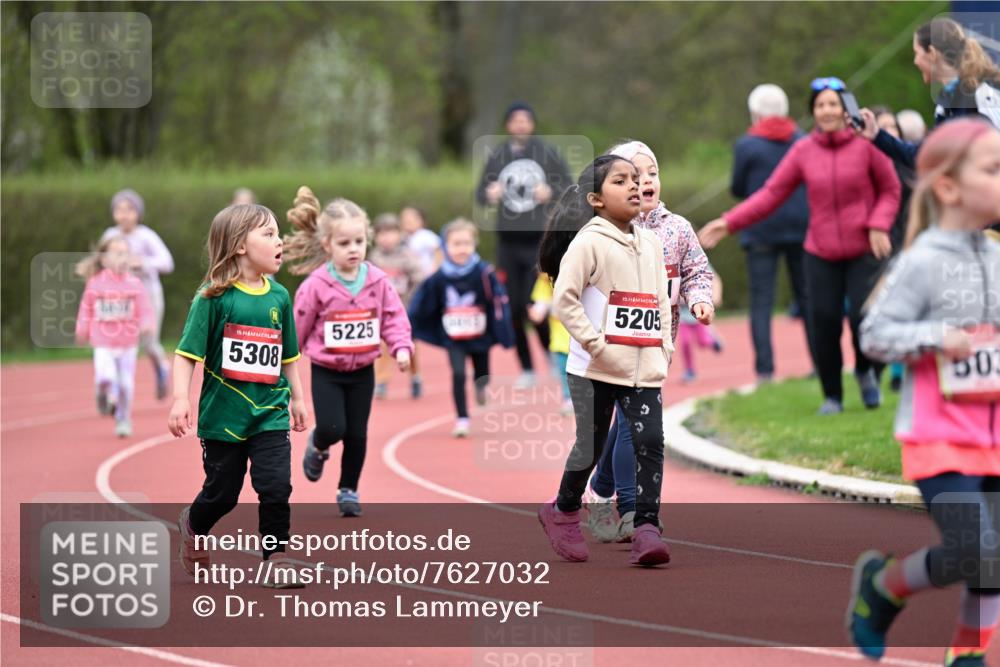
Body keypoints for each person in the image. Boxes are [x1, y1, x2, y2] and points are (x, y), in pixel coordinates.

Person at [850, 118, 1000, 667]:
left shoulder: (996, 258)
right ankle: (887, 589)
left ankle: (962, 649)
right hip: (939, 438)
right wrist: (937, 337)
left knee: (991, 560)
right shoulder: (921, 261)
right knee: (978, 550)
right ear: (949, 187)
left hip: (994, 437)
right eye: (994, 169)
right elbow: (873, 335)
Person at [699, 77, 901, 415]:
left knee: (863, 318)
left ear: (846, 109)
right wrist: (729, 222)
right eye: (820, 105)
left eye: (833, 104)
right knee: (824, 321)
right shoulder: (803, 150)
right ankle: (832, 396)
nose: (826, 111)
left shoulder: (866, 145)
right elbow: (770, 193)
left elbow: (890, 189)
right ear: (813, 112)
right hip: (820, 251)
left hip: (863, 249)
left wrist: (879, 224)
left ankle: (867, 370)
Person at [536, 155, 673, 567]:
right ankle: (563, 511)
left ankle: (646, 528)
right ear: (596, 199)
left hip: (643, 366)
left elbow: (660, 301)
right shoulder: (588, 243)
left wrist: (664, 346)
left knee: (651, 441)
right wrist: (596, 343)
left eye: (637, 179)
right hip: (593, 368)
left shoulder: (651, 243)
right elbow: (564, 300)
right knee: (590, 447)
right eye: (621, 181)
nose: (634, 186)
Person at [168, 204, 308, 588]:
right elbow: (186, 355)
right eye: (268, 234)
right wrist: (180, 399)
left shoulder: (279, 297)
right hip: (224, 418)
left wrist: (298, 398)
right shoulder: (212, 298)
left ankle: (276, 559)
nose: (279, 241)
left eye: (279, 234)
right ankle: (194, 525)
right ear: (239, 246)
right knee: (223, 495)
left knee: (276, 486)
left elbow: (288, 355)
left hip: (270, 413)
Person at [583, 141, 713, 543]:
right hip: (614, 345)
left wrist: (700, 298)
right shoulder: (604, 231)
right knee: (633, 426)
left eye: (652, 173)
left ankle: (600, 487)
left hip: (658, 344)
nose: (645, 181)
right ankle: (631, 511)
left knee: (627, 422)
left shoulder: (678, 229)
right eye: (632, 176)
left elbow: (697, 270)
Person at [286, 188, 413, 517]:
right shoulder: (315, 285)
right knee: (332, 428)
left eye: (359, 241)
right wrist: (286, 361)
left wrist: (400, 347)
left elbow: (393, 317)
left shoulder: (377, 280)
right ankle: (318, 445)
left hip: (362, 371)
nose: (354, 249)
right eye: (344, 243)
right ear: (327, 244)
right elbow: (298, 325)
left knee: (357, 434)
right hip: (327, 371)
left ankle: (348, 489)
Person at [475, 102, 572, 388]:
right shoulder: (498, 156)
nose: (520, 124)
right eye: (515, 120)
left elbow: (569, 188)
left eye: (525, 119)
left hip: (538, 242)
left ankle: (551, 355)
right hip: (507, 242)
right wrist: (490, 193)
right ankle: (526, 367)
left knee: (537, 304)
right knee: (513, 308)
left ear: (532, 123)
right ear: (508, 124)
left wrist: (551, 192)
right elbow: (480, 195)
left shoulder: (547, 153)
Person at [730, 84, 813, 384]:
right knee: (808, 297)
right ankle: (820, 364)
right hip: (801, 228)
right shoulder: (802, 140)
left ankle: (765, 371)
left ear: (755, 113)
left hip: (761, 229)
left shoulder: (746, 146)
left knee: (762, 302)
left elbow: (738, 188)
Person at [408, 218, 514, 438]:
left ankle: (480, 388)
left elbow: (498, 301)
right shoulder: (439, 277)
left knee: (482, 374)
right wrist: (410, 323)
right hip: (453, 336)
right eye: (456, 244)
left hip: (480, 335)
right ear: (446, 247)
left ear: (474, 244)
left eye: (467, 243)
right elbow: (424, 303)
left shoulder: (484, 272)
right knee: (457, 373)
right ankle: (462, 418)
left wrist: (503, 329)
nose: (462, 249)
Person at [858, 17, 1000, 169]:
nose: (915, 61)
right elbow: (924, 156)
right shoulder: (945, 105)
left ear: (932, 53)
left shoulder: (982, 95)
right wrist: (876, 134)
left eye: (916, 53)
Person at [75, 235, 154, 438]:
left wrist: (147, 323)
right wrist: (82, 328)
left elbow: (144, 308)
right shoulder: (95, 283)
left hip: (128, 341)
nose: (122, 257)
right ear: (104, 259)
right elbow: (86, 308)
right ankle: (103, 394)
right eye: (117, 253)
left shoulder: (134, 283)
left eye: (125, 253)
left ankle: (123, 419)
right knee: (105, 377)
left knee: (126, 385)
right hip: (103, 340)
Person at [100, 189, 174, 400]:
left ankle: (161, 368)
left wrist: (142, 262)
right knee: (116, 342)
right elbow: (99, 261)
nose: (124, 214)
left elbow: (168, 262)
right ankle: (113, 387)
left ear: (138, 213)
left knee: (149, 342)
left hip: (148, 296)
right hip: (120, 298)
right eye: (119, 209)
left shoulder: (146, 236)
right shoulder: (109, 236)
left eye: (129, 209)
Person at [368, 213, 425, 400]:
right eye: (382, 234)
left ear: (399, 235)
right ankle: (381, 381)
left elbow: (419, 279)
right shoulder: (374, 257)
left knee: (408, 345)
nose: (386, 238)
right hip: (381, 310)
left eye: (391, 233)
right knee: (382, 344)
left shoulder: (407, 256)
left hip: (405, 309)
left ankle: (415, 376)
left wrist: (410, 297)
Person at [527, 273, 573, 415]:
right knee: (563, 371)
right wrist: (535, 312)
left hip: (582, 339)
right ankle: (568, 399)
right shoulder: (544, 281)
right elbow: (540, 306)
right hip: (559, 340)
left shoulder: (579, 274)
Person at [675, 273, 725, 384]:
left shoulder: (700, 262)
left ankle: (713, 340)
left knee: (703, 342)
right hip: (682, 316)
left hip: (699, 313)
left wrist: (716, 297)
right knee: (685, 342)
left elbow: (715, 279)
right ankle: (690, 370)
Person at [399, 206, 442, 277]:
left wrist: (435, 270)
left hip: (427, 275)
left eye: (410, 218)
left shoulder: (425, 235)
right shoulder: (405, 238)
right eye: (404, 218)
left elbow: (439, 251)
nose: (406, 220)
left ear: (420, 220)